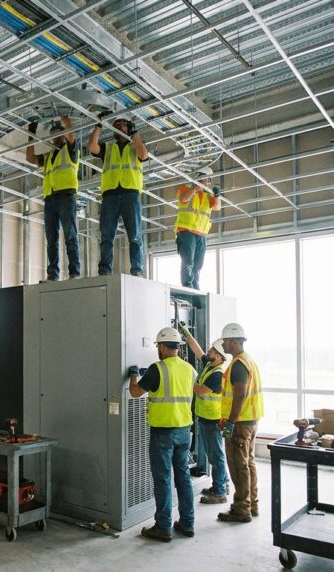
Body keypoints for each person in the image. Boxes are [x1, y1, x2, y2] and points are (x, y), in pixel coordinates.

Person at [128, 327, 196, 542]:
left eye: (158, 346)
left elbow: (136, 392)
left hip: (163, 433)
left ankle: (163, 527)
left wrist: (133, 376)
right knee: (183, 478)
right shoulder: (190, 369)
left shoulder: (157, 369)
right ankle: (187, 523)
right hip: (184, 430)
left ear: (164, 347)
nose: (158, 349)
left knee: (163, 479)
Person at [88, 112, 149, 277]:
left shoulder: (134, 146)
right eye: (116, 125)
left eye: (123, 124)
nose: (119, 127)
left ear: (128, 127)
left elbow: (144, 155)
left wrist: (135, 134)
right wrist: (99, 124)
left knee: (135, 235)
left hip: (131, 194)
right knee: (107, 235)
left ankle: (137, 269)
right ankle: (104, 269)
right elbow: (92, 147)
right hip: (110, 195)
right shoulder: (108, 147)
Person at [217, 322, 264, 523]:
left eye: (225, 342)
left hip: (240, 423)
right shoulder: (248, 360)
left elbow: (240, 393)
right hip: (250, 421)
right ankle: (251, 504)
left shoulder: (238, 365)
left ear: (234, 342)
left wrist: (231, 422)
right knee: (248, 463)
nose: (223, 346)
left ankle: (241, 509)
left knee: (238, 465)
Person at [177, 323, 228, 504]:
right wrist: (185, 332)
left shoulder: (218, 374)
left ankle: (219, 491)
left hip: (213, 419)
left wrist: (181, 381)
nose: (209, 352)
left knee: (216, 455)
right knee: (215, 454)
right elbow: (197, 350)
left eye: (213, 351)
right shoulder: (210, 366)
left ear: (219, 356)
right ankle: (221, 484)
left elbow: (200, 390)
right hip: (206, 417)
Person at [26, 115, 81, 280]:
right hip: (50, 199)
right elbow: (30, 158)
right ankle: (53, 274)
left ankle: (74, 273)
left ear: (64, 134)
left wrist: (66, 121)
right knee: (51, 239)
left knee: (70, 235)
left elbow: (72, 136)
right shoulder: (49, 156)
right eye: (52, 134)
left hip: (66, 196)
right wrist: (31, 135)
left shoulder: (71, 150)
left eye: (58, 133)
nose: (55, 136)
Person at [175, 167, 221, 290]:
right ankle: (187, 285)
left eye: (208, 181)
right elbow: (183, 199)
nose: (207, 183)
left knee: (198, 263)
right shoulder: (185, 189)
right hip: (186, 230)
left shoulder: (207, 196)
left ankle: (195, 286)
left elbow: (217, 207)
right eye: (206, 180)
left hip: (201, 233)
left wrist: (217, 195)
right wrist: (195, 188)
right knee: (188, 261)